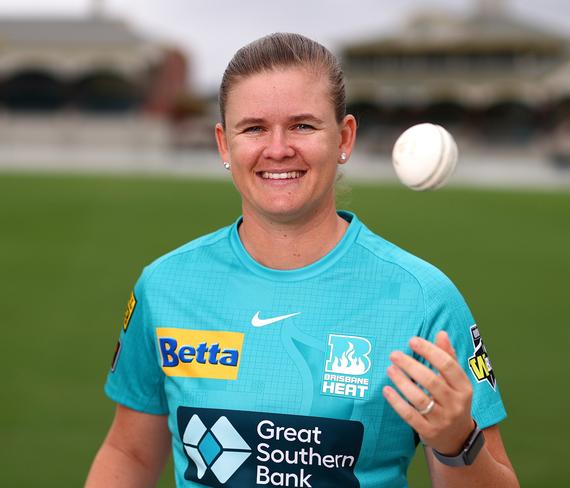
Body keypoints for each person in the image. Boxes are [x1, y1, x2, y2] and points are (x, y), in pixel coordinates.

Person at [85, 33, 519, 487]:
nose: (278, 149)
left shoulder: (422, 299)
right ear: (223, 144)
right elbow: (129, 453)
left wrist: (458, 442)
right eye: (253, 128)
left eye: (303, 126)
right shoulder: (165, 286)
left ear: (344, 137)